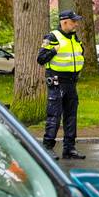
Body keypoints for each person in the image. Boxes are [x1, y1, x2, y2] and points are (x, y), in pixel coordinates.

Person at [38, 11, 86, 160]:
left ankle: (69, 148)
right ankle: (47, 147)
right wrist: (53, 50)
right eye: (73, 21)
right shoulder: (52, 37)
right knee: (54, 115)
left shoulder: (74, 38)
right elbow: (40, 59)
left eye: (76, 21)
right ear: (64, 22)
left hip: (71, 82)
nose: (76, 24)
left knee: (71, 116)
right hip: (57, 81)